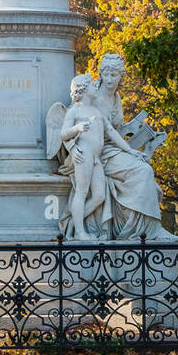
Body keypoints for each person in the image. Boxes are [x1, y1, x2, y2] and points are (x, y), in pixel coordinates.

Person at [84, 53, 177, 242]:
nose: (109, 80)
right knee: (142, 171)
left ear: (121, 77)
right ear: (100, 74)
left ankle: (146, 229)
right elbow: (76, 119)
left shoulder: (116, 97)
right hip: (99, 153)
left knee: (144, 166)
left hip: (115, 149)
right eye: (106, 74)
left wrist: (134, 136)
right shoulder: (91, 95)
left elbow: (115, 130)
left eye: (114, 75)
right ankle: (146, 231)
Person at [54, 74, 136, 239]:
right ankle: (80, 231)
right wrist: (77, 128)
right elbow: (63, 134)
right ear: (83, 90)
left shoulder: (96, 111)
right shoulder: (74, 111)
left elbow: (111, 132)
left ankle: (74, 221)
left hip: (96, 158)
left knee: (99, 196)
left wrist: (129, 150)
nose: (95, 87)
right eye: (91, 85)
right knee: (82, 192)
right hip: (84, 156)